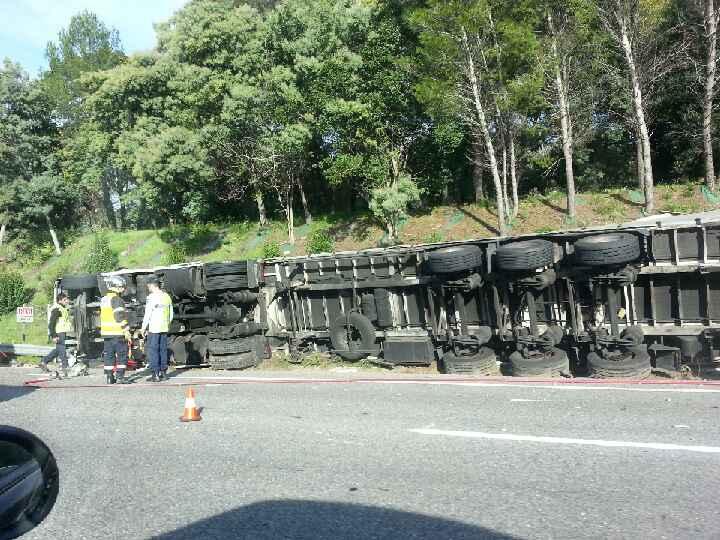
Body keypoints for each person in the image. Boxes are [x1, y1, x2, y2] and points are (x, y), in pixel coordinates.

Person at [100, 276, 131, 384]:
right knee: (122, 354)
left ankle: (109, 377)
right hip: (117, 333)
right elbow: (119, 316)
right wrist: (126, 330)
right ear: (117, 287)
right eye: (122, 287)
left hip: (106, 334)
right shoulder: (117, 299)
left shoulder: (104, 299)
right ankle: (120, 377)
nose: (123, 289)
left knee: (109, 355)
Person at [141, 277, 173, 382]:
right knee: (163, 350)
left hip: (154, 328)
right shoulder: (167, 296)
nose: (148, 288)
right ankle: (164, 373)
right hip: (164, 328)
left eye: (148, 286)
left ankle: (155, 374)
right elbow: (171, 314)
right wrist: (167, 324)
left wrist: (143, 328)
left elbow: (147, 314)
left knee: (153, 351)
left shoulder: (151, 297)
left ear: (152, 285)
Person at [39, 292, 72, 377]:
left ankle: (44, 361)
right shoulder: (57, 309)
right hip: (58, 333)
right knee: (62, 349)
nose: (67, 301)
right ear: (60, 300)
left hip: (61, 332)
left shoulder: (62, 308)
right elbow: (51, 324)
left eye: (67, 299)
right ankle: (65, 367)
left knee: (57, 350)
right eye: (65, 300)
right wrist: (53, 335)